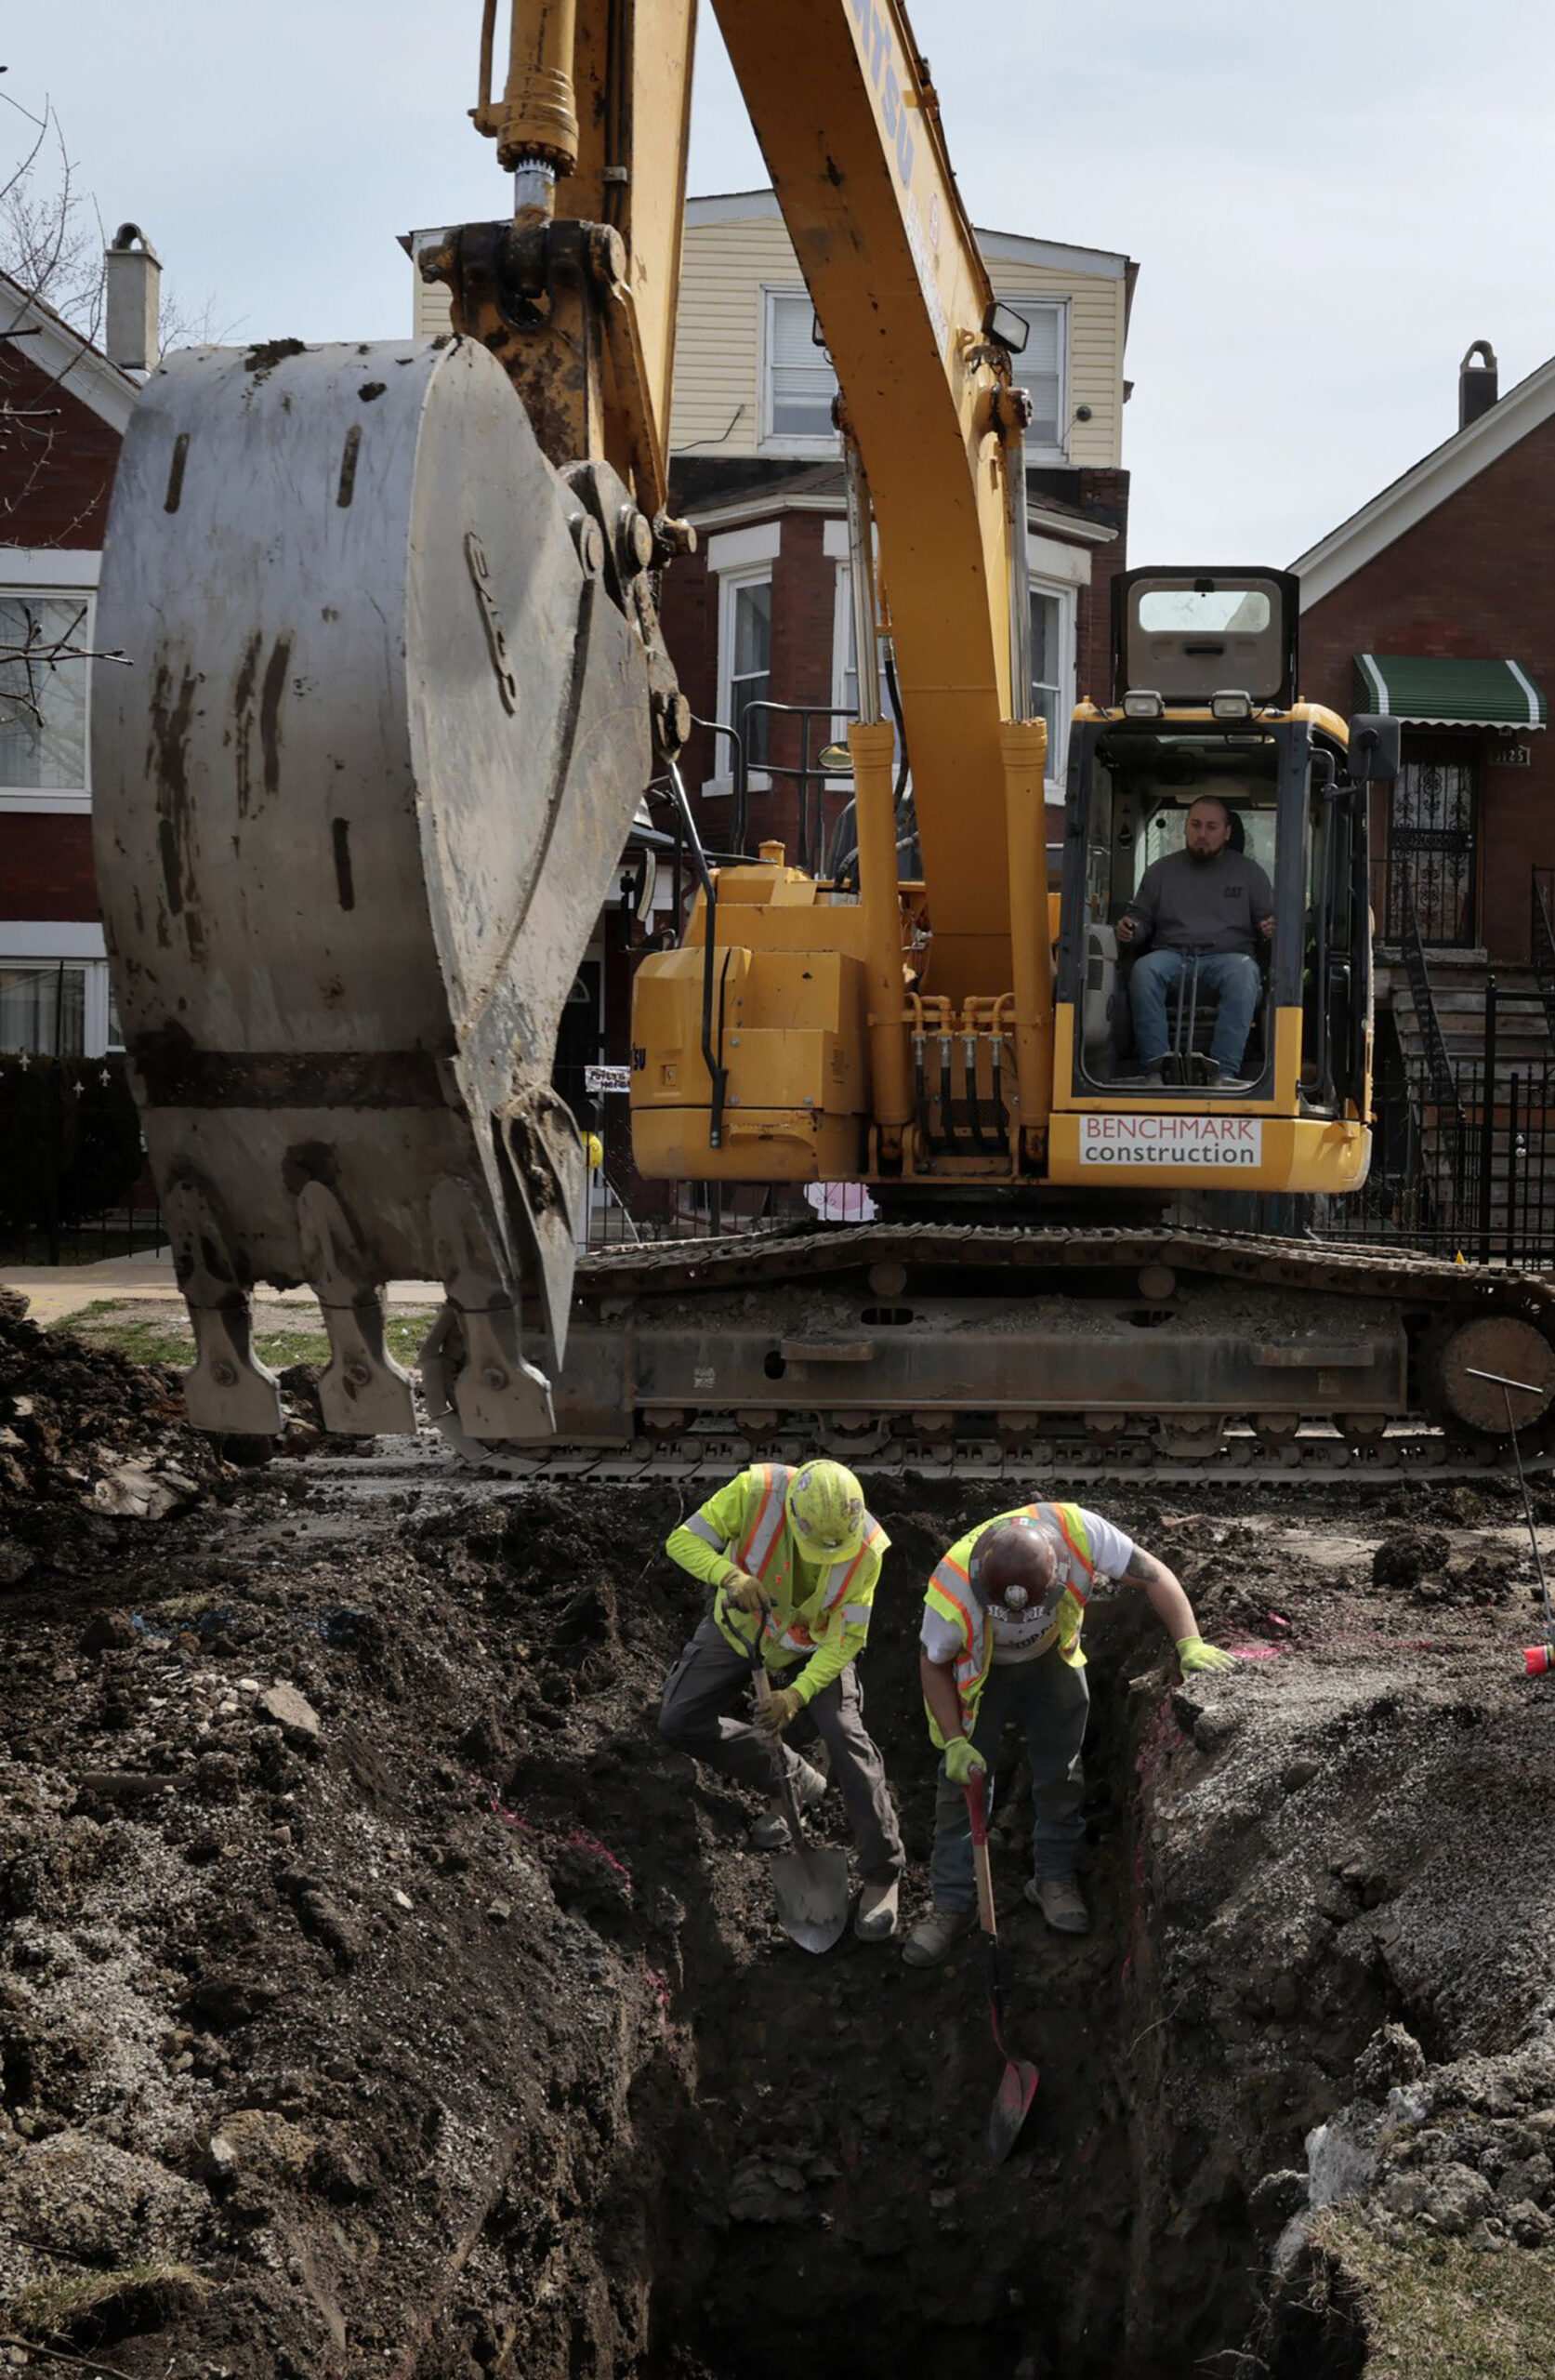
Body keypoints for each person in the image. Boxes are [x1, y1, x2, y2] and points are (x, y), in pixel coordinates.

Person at [902, 1502, 1234, 1966]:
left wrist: (1188, 1641)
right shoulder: (951, 1586)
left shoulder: (1082, 1534)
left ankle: (1053, 1878)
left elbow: (1154, 1575)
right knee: (964, 1783)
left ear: (1059, 1571)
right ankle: (952, 1903)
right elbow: (932, 1663)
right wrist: (955, 1740)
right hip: (981, 1673)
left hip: (1052, 1659)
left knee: (1061, 1769)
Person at [658, 1457, 905, 1941]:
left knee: (845, 1734)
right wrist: (728, 1576)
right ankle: (792, 1777)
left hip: (816, 1645)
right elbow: (680, 1542)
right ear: (794, 1515)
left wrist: (795, 1695)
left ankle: (883, 1872)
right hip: (742, 1631)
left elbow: (845, 1640)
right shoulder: (755, 1491)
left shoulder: (867, 1550)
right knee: (678, 1720)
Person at [1116, 795, 1274, 1084]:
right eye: (1195, 825)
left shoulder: (1251, 875)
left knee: (1243, 972)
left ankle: (1224, 1073)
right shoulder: (1160, 872)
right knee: (1145, 970)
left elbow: (1270, 923)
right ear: (1185, 828)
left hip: (1228, 959)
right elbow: (1139, 918)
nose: (1202, 834)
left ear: (1227, 832)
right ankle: (1156, 1069)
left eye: (1211, 827)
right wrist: (1130, 928)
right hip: (1173, 957)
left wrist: (1270, 930)